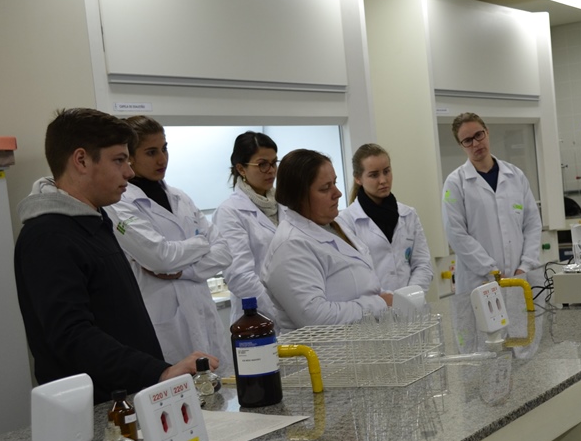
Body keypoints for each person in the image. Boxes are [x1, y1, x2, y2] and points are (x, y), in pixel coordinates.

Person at [14, 108, 217, 403]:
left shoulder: (95, 221)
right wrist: (158, 372)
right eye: (119, 160)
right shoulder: (48, 236)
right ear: (81, 160)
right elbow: (72, 336)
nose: (129, 173)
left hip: (130, 395)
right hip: (95, 409)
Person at [107, 116, 231, 365]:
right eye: (151, 152)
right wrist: (202, 243)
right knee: (176, 386)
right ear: (129, 157)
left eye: (164, 149)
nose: (162, 159)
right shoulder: (118, 205)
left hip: (203, 316)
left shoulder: (180, 198)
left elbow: (224, 252)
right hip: (164, 325)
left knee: (221, 384)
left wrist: (184, 270)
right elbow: (160, 258)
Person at [263, 149, 392, 331]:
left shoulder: (334, 225)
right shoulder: (290, 245)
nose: (337, 193)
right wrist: (379, 304)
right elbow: (315, 318)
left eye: (335, 183)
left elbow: (364, 284)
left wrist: (387, 299)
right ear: (299, 196)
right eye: (325, 188)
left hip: (361, 340)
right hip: (322, 348)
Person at [441, 112, 542, 295]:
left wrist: (525, 266)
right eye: (468, 140)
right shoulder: (455, 183)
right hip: (478, 283)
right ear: (461, 145)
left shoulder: (515, 176)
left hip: (519, 279)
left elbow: (532, 224)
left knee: (522, 314)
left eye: (478, 135)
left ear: (487, 132)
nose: (476, 144)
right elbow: (456, 234)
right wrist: (491, 270)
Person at [336, 143, 433, 292]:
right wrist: (387, 300)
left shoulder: (408, 214)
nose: (383, 180)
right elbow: (354, 275)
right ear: (358, 178)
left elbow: (422, 264)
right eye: (374, 175)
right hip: (373, 303)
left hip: (412, 301)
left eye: (386, 171)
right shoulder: (345, 222)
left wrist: (409, 297)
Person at [212, 131, 280, 325]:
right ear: (241, 169)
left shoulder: (283, 204)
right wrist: (280, 314)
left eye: (274, 163)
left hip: (295, 307)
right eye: (262, 164)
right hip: (260, 319)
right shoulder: (230, 212)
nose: (271, 170)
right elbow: (240, 276)